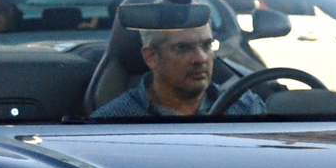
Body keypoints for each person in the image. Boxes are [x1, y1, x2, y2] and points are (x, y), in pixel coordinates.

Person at [91, 22, 263, 120]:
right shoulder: (115, 121)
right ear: (152, 57)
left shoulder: (245, 107)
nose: (201, 58)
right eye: (182, 47)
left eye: (207, 45)